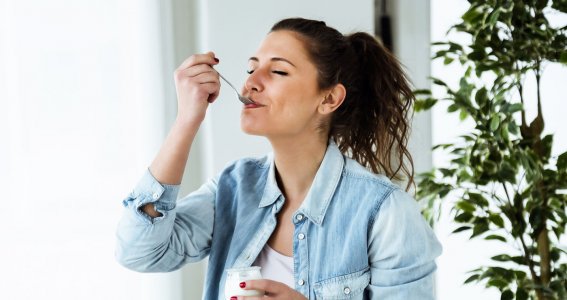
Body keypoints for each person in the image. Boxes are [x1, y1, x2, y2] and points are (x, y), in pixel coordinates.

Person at [116, 17, 442, 299]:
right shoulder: (233, 189)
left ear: (329, 98)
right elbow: (140, 252)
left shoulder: (385, 212)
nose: (251, 83)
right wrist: (186, 120)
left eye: (278, 71)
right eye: (251, 68)